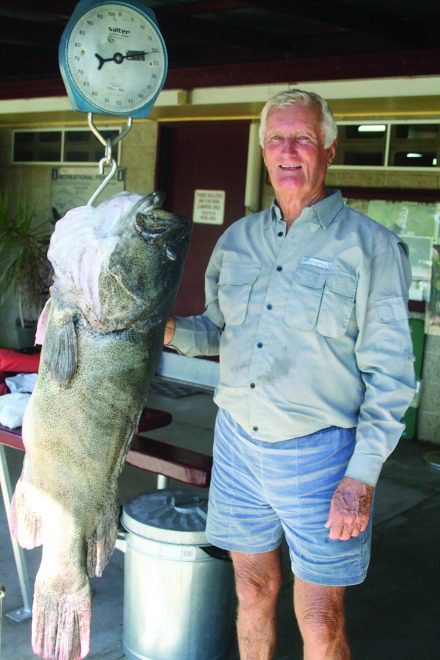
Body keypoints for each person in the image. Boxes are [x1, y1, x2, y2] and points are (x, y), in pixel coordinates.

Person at [164, 89, 416, 659]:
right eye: (276, 138)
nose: (288, 150)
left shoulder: (370, 248)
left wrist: (362, 477)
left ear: (329, 149)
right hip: (237, 446)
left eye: (302, 137)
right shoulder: (238, 240)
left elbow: (393, 376)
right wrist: (170, 331)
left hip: (324, 456)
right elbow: (217, 330)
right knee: (252, 588)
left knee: (320, 615)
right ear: (262, 149)